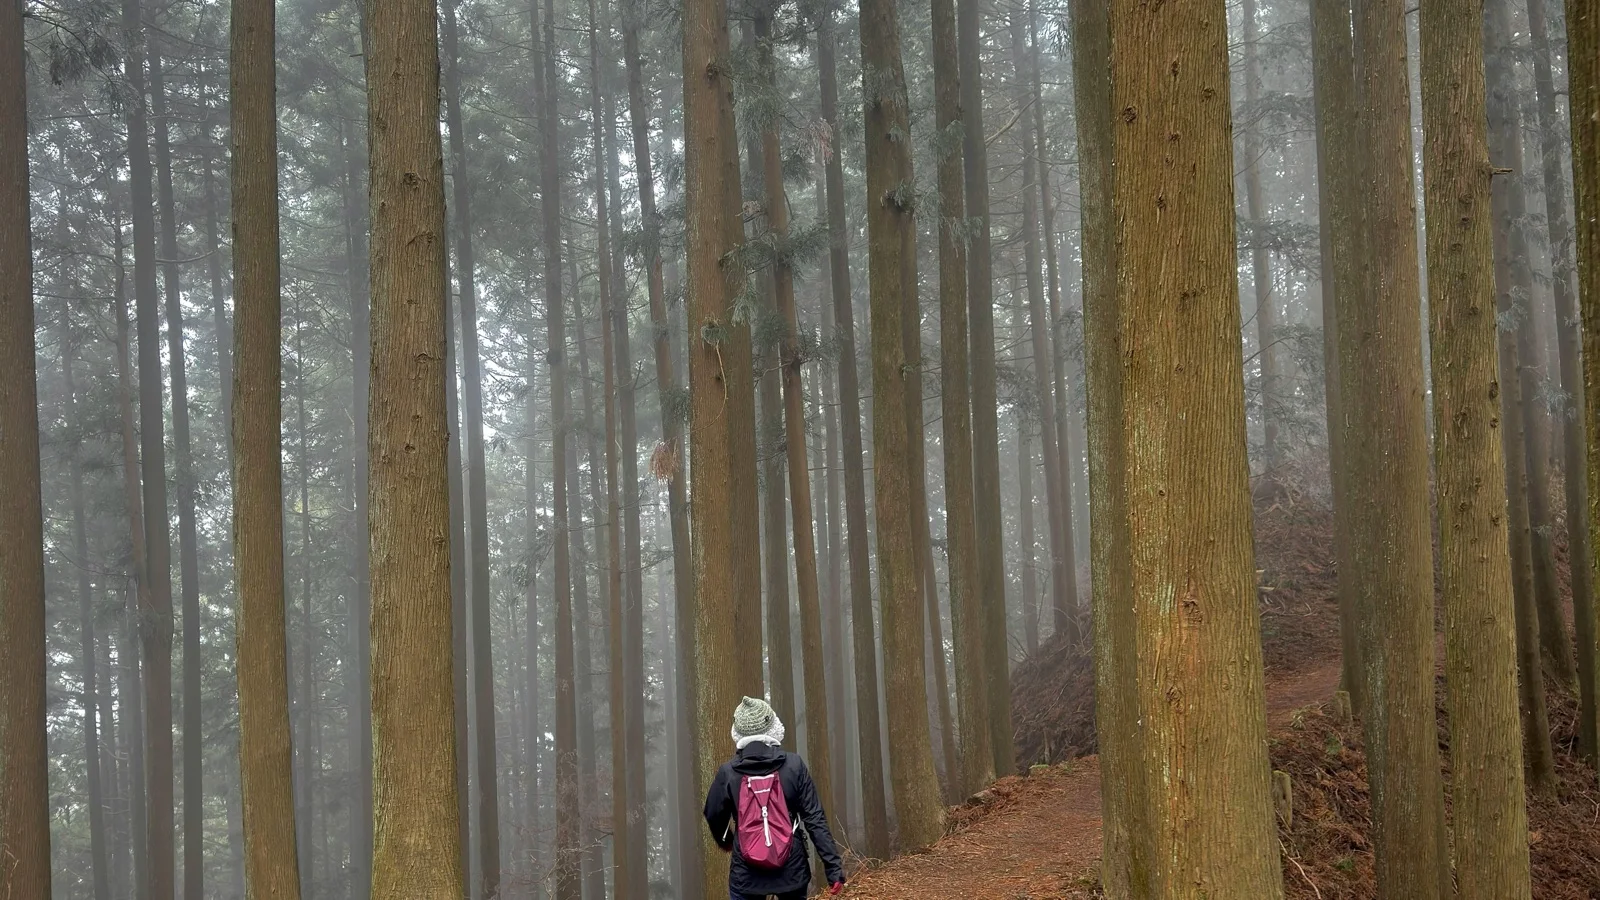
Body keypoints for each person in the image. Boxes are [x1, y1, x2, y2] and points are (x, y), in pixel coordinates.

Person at [704, 696, 846, 899]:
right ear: (773, 726)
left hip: (746, 875)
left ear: (737, 732)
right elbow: (815, 819)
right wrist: (833, 869)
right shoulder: (793, 766)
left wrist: (727, 840)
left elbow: (713, 814)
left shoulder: (728, 773)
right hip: (792, 871)